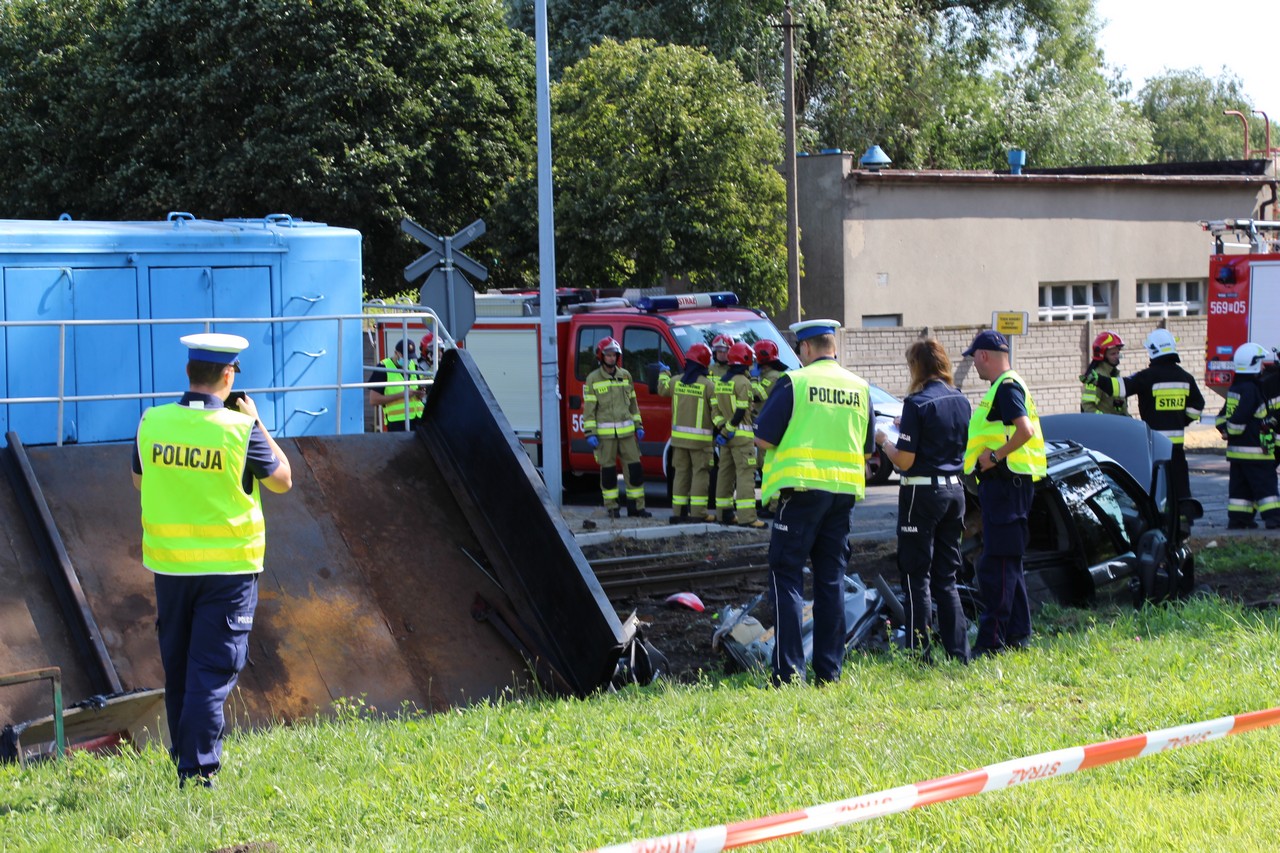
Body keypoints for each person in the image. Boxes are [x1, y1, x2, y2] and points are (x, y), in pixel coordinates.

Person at [132, 333, 293, 786]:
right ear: (228, 376)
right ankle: (198, 773)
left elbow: (138, 480)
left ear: (188, 373)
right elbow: (283, 481)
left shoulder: (153, 422)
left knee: (181, 669)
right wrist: (258, 423)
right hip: (228, 572)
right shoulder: (240, 431)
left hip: (170, 568)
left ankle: (184, 757)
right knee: (210, 673)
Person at [755, 320, 874, 685]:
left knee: (787, 574)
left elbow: (762, 438)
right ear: (832, 346)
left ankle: (789, 673)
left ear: (805, 349)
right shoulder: (860, 387)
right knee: (831, 580)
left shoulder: (795, 383)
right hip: (842, 495)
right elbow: (867, 449)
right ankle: (829, 672)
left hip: (802, 492)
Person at [875, 339, 971, 663]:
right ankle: (959, 652)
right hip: (956, 492)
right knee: (946, 577)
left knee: (917, 575)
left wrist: (885, 441)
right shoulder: (961, 399)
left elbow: (903, 461)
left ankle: (920, 655)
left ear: (916, 367)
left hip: (922, 493)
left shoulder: (916, 403)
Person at [962, 329, 1046, 657]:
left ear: (984, 355)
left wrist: (994, 456)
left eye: (975, 358)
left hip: (1006, 486)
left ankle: (991, 642)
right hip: (1010, 487)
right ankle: (1018, 636)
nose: (976, 366)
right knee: (1009, 564)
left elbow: (1024, 431)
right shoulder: (1007, 385)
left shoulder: (1006, 387)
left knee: (996, 565)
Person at [1113, 329, 1205, 502]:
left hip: (1154, 445)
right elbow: (1198, 405)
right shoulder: (1186, 377)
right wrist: (1182, 420)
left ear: (1152, 351)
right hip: (1176, 447)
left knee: (1156, 487)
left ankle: (1161, 520)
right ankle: (1184, 519)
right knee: (1180, 488)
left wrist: (1097, 380)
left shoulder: (1147, 377)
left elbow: (1121, 388)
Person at [583, 337, 650, 519]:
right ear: (601, 356)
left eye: (614, 355)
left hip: (628, 434)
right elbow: (589, 410)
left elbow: (633, 405)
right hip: (605, 437)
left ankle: (636, 507)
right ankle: (612, 508)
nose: (612, 358)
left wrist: (639, 425)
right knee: (608, 473)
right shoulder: (593, 379)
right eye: (608, 355)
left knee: (635, 470)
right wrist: (590, 433)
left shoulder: (626, 375)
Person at [1216, 342, 1280, 529]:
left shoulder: (1235, 389)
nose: (1263, 367)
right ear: (1252, 364)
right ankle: (1274, 517)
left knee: (1240, 487)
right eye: (1260, 362)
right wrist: (1234, 429)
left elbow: (1221, 417)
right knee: (1266, 485)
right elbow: (1239, 418)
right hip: (1255, 450)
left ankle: (1239, 519)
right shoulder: (1252, 390)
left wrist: (1226, 431)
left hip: (1237, 452)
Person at [657, 342, 718, 524]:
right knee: (700, 475)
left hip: (678, 442)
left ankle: (678, 513)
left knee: (681, 475)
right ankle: (698, 513)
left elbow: (662, 389)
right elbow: (716, 415)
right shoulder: (708, 385)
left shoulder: (676, 382)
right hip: (701, 443)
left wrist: (663, 373)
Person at [713, 341, 765, 528]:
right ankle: (748, 518)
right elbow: (742, 411)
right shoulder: (743, 382)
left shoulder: (721, 382)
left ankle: (724, 514)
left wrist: (723, 430)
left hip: (726, 439)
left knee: (725, 475)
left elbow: (715, 411)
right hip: (742, 437)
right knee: (745, 476)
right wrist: (730, 428)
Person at [751, 339, 788, 519]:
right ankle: (768, 504)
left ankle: (773, 507)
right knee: (764, 469)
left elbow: (758, 395)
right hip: (765, 426)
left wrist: (751, 379)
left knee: (769, 469)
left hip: (769, 428)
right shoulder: (769, 375)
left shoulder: (773, 376)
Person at [367, 338, 426, 431]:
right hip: (398, 423)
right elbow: (373, 400)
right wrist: (402, 395)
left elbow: (417, 394)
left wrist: (420, 393)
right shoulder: (383, 368)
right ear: (396, 353)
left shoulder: (413, 366)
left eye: (410, 357)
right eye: (406, 357)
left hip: (418, 419)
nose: (408, 360)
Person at [1079, 330, 1128, 415]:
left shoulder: (1114, 374)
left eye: (1118, 353)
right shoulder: (1096, 377)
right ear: (1102, 356)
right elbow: (1087, 405)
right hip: (1105, 426)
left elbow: (1120, 405)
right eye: (1113, 354)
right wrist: (1104, 421)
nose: (1117, 357)